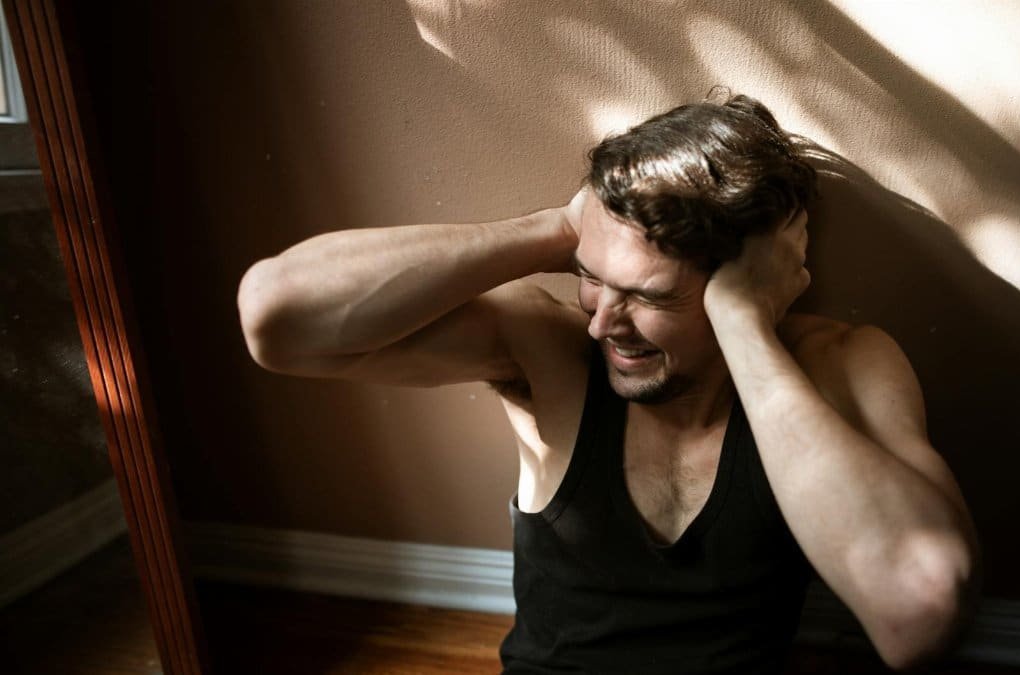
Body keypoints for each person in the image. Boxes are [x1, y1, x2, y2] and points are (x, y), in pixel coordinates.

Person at [237, 92, 981, 673]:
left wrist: (745, 326)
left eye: (651, 297)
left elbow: (918, 617)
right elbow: (276, 319)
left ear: (745, 282)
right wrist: (560, 230)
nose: (603, 324)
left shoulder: (839, 364)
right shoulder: (549, 351)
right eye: (594, 283)